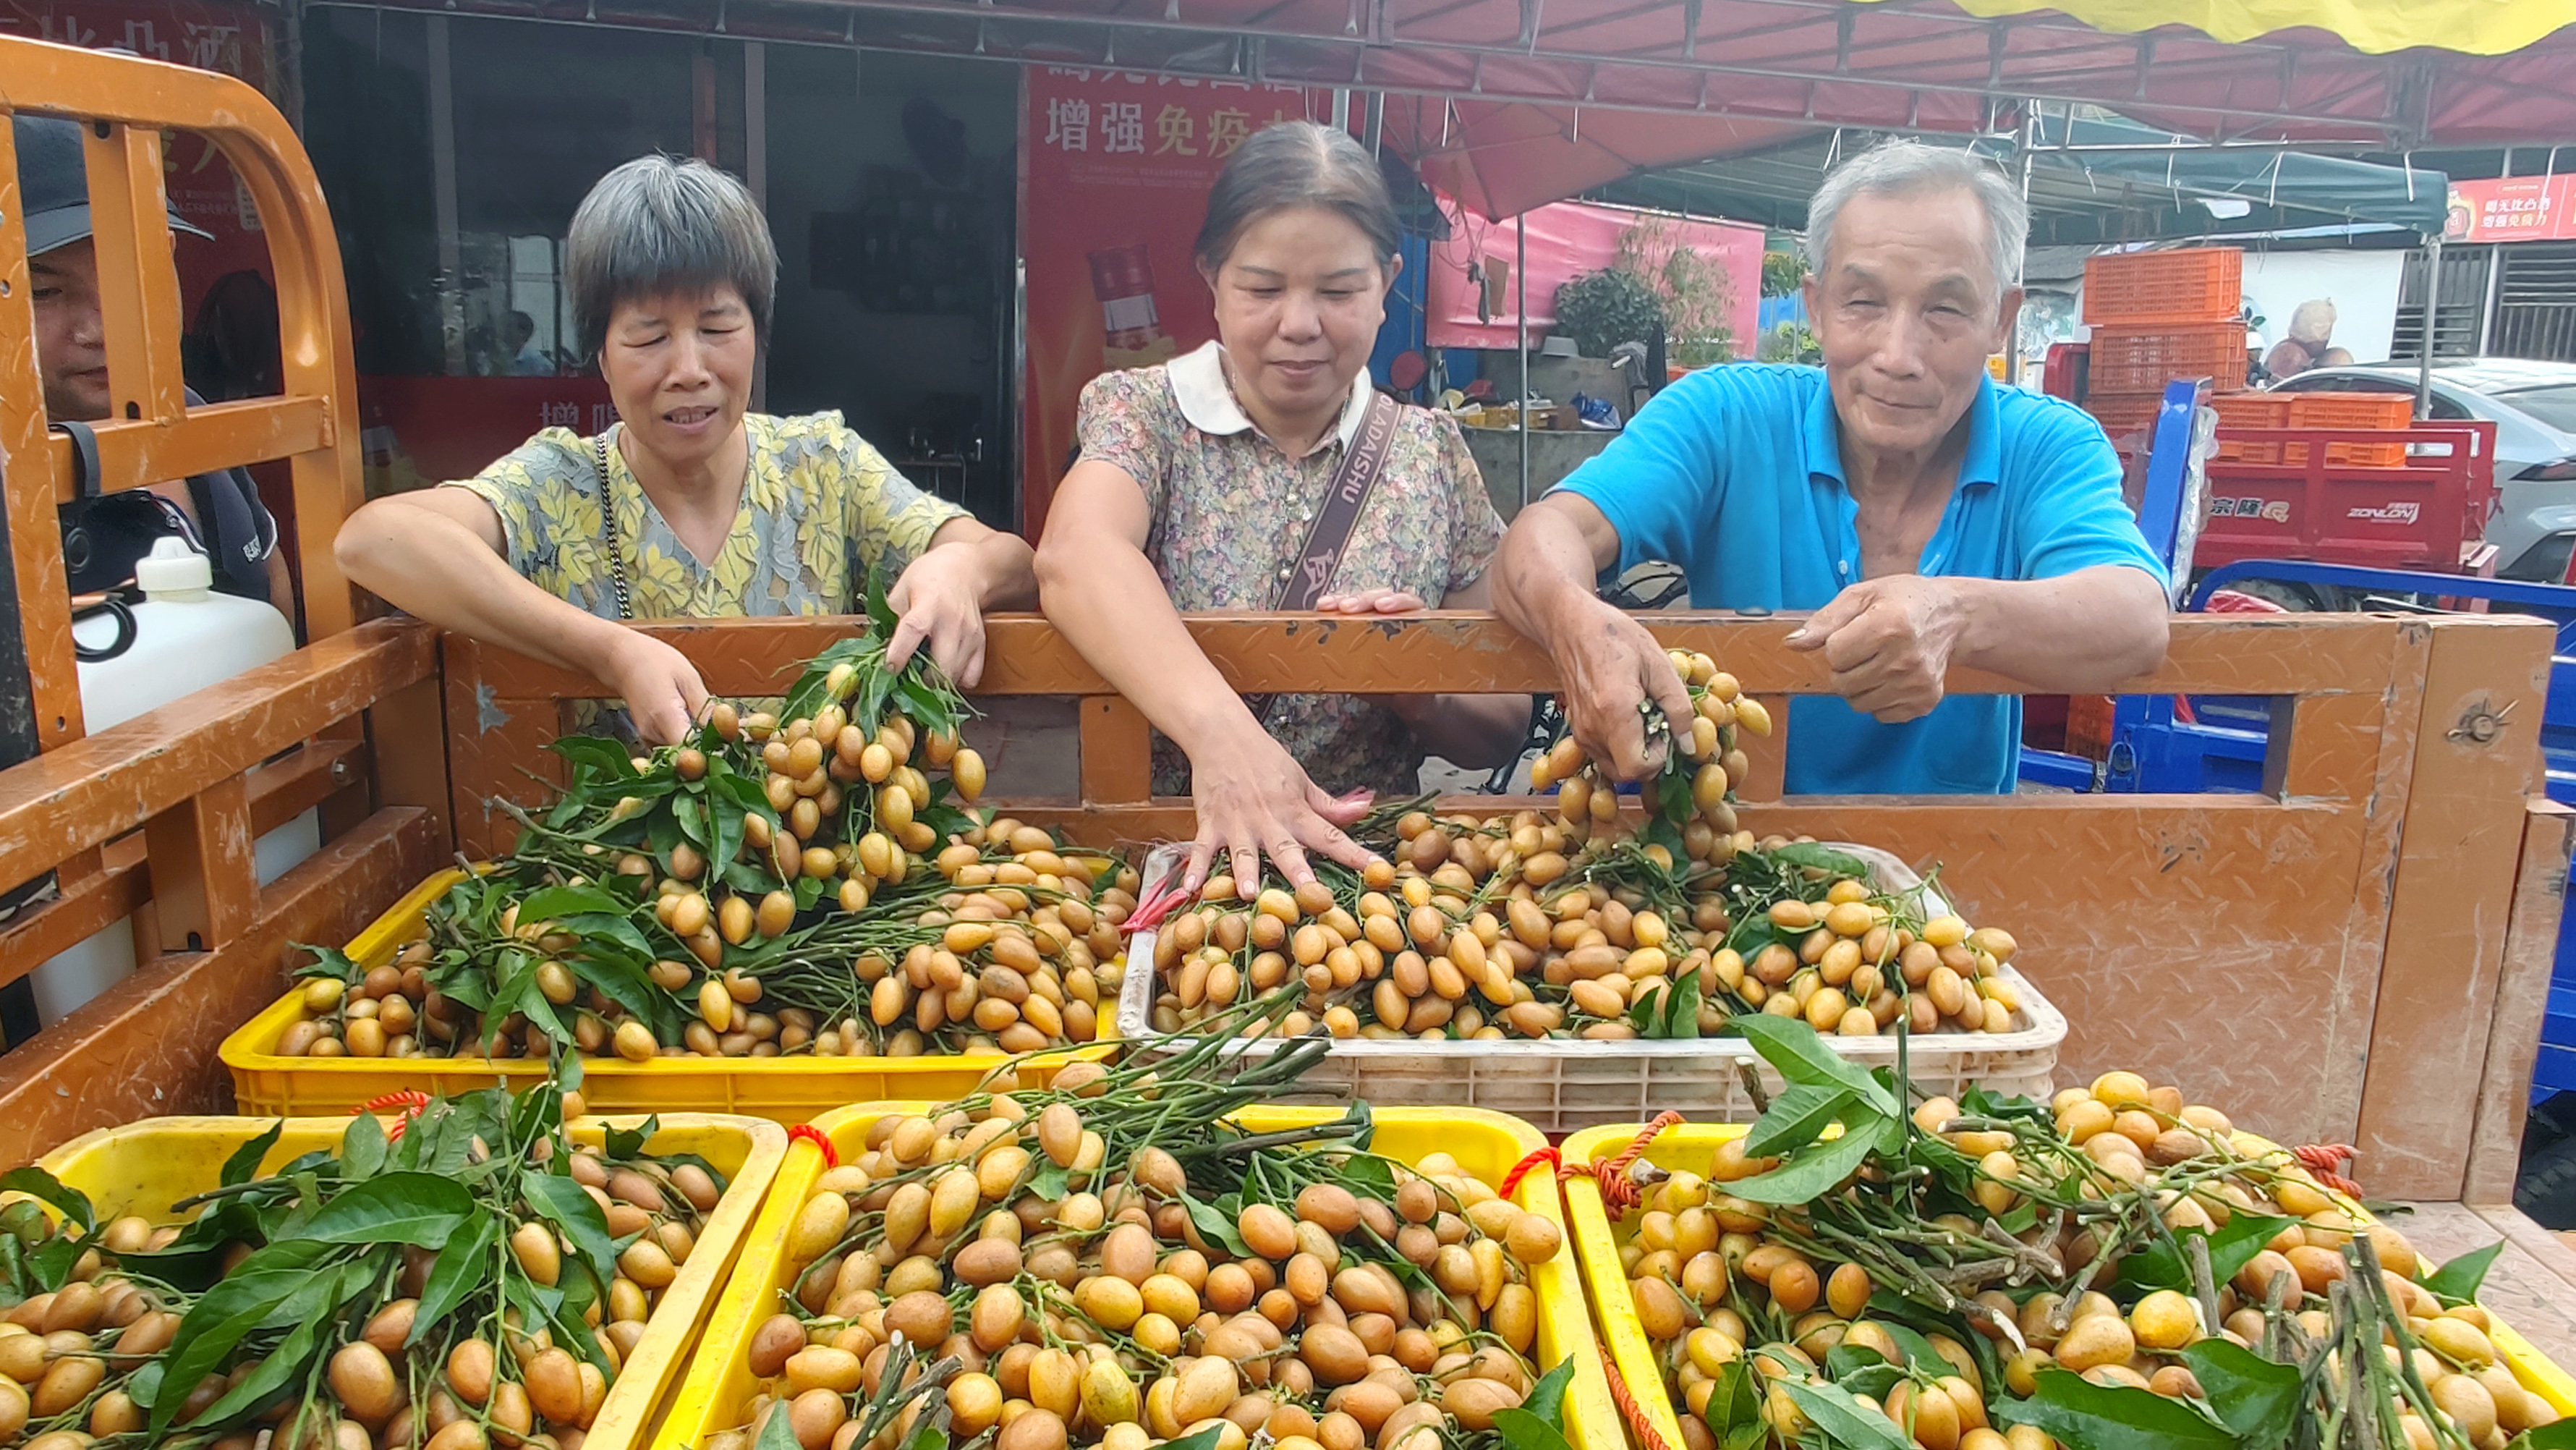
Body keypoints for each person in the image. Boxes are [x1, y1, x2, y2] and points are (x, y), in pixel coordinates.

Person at [1491, 140, 2170, 794]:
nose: (1897, 354)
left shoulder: (2045, 443)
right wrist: (1573, 617)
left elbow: (2135, 616)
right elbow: (1550, 533)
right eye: (1863, 303)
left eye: (1945, 308)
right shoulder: (1724, 416)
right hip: (1723, 869)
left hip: (1944, 886)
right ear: (1816, 307)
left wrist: (1955, 615)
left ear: (2001, 319)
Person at [336, 155, 1034, 745]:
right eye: (647, 337)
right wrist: (609, 650)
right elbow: (374, 541)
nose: (689, 369)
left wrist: (956, 572)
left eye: (717, 327)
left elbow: (1012, 559)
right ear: (601, 357)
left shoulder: (823, 466)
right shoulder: (558, 485)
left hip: (818, 885)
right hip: (619, 889)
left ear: (757, 335)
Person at [1037, 122, 1527, 894]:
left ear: (1388, 279)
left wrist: (1419, 685)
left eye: (1338, 291)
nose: (1299, 324)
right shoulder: (1146, 416)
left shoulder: (1431, 455)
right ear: (1211, 276)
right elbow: (1076, 555)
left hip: (1376, 902)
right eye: (1263, 289)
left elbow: (1501, 721)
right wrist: (1224, 741)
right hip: (1176, 873)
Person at [20, 114, 293, 621]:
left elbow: (269, 586)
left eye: (134, 272)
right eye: (45, 291)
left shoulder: (188, 413)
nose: (102, 329)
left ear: (169, 253)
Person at [503, 310, 555, 376]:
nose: (504, 331)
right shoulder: (502, 358)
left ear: (523, 333)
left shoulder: (538, 363)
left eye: (508, 327)